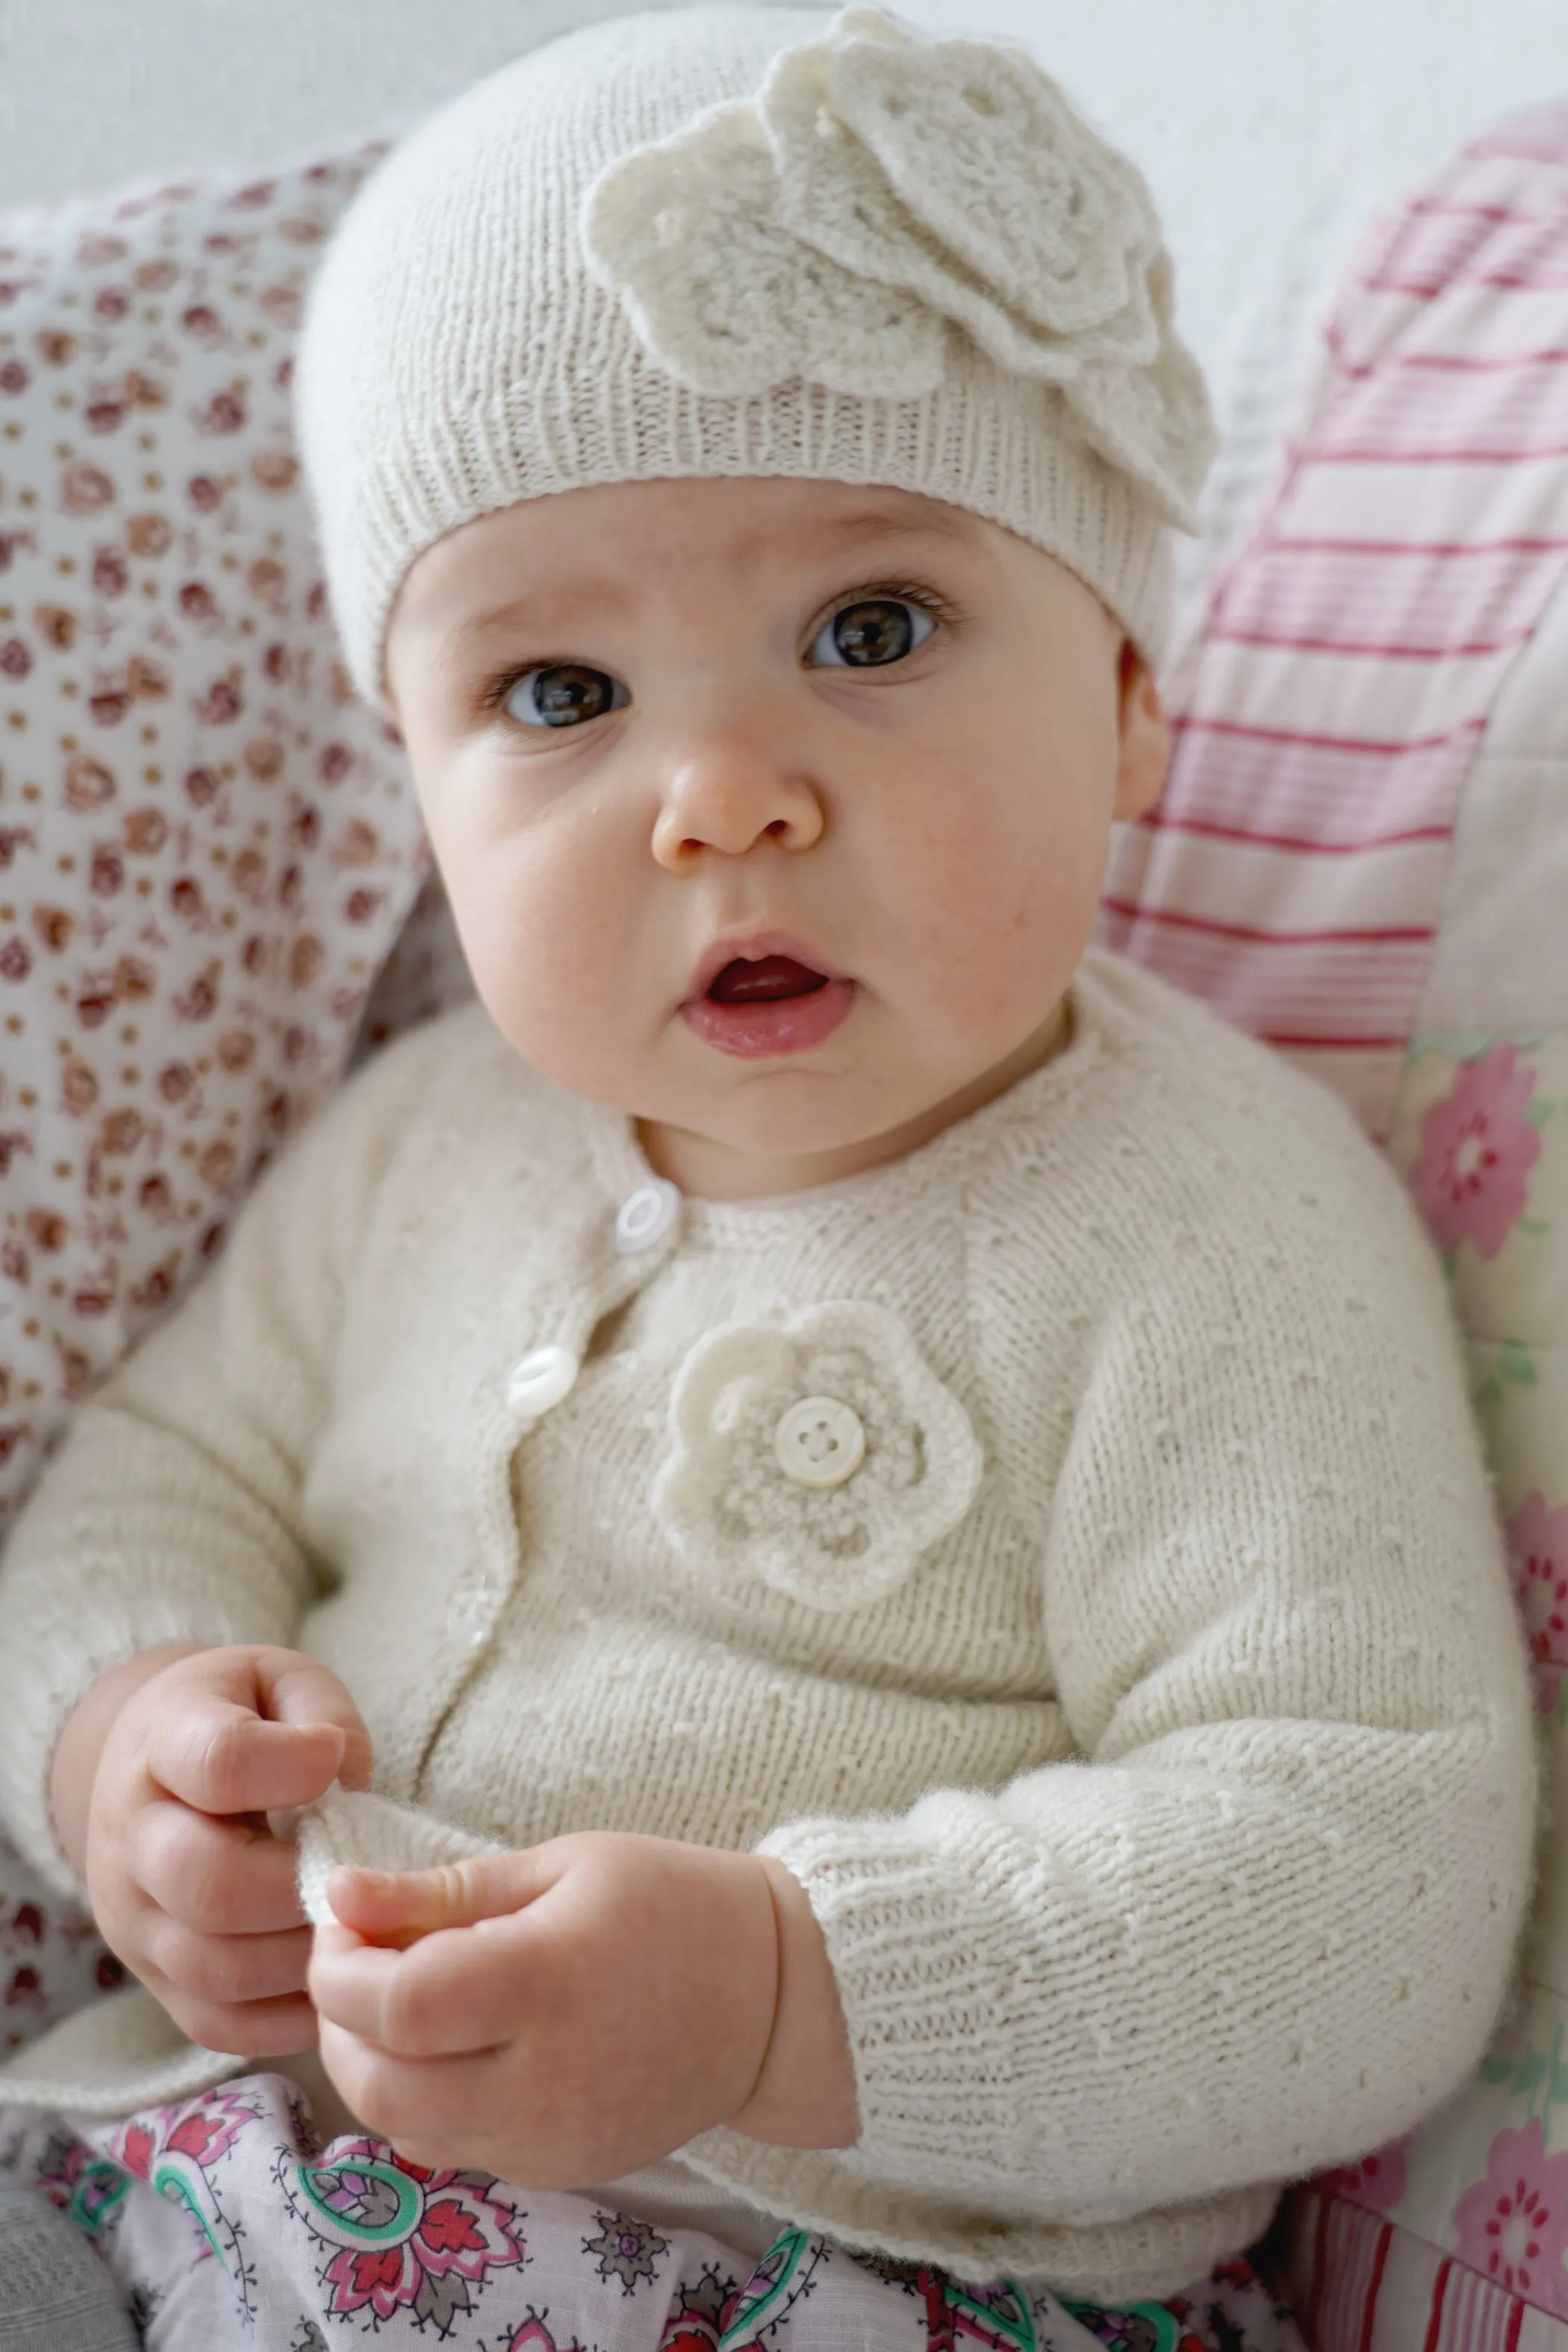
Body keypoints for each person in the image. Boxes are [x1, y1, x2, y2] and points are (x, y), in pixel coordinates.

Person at [0, 7, 1540, 2348]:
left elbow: (1357, 1858)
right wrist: (127, 1755)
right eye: (553, 697)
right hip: (203, 2176)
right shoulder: (420, 1134)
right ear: (415, 777)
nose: (718, 793)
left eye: (870, 630)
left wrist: (781, 1995)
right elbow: (153, 1474)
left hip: (834, 2271)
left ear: (1132, 692)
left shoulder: (1205, 1222)